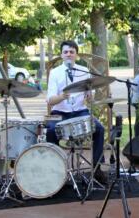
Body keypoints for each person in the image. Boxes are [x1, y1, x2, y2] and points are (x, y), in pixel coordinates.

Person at [46, 40, 107, 184]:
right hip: (59, 112)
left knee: (99, 129)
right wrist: (62, 96)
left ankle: (97, 168)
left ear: (76, 55)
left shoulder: (84, 71)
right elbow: (50, 100)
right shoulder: (55, 73)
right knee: (50, 131)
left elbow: (89, 93)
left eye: (71, 52)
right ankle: (55, 170)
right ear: (61, 55)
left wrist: (89, 95)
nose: (68, 54)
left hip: (80, 111)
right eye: (66, 52)